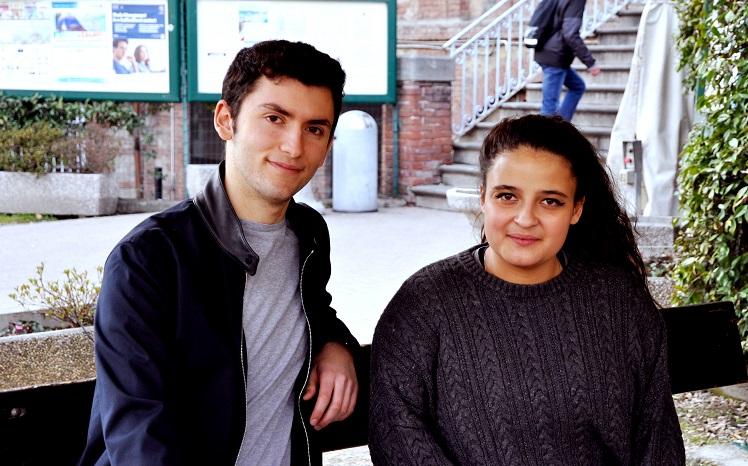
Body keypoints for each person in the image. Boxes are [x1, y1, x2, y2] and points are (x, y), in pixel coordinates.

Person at [81, 40, 360, 466]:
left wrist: (336, 344)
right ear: (226, 120)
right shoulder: (148, 259)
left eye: (315, 129)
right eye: (274, 118)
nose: (294, 146)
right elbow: (139, 434)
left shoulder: (308, 235)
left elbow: (314, 309)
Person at [369, 115, 685, 465]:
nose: (525, 219)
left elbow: (658, 441)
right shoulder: (423, 306)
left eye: (550, 201)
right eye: (507, 196)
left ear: (576, 209)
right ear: (483, 197)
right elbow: (397, 436)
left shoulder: (619, 302)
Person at [534, 0, 601, 121]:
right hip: (555, 56)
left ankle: (563, 125)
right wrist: (590, 62)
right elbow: (570, 34)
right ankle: (547, 133)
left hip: (547, 51)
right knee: (549, 107)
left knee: (578, 86)